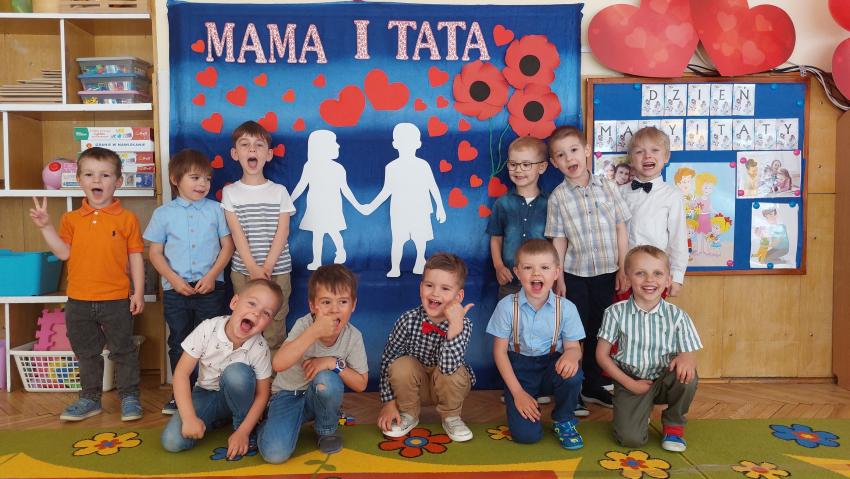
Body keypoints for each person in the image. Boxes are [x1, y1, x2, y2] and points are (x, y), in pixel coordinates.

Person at [29, 147, 145, 422]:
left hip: (116, 299)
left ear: (118, 182)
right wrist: (45, 227)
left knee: (123, 350)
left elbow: (136, 257)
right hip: (78, 301)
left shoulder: (127, 218)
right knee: (86, 353)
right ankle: (90, 399)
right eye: (90, 174)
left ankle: (130, 397)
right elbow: (63, 253)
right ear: (79, 180)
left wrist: (138, 292)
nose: (97, 180)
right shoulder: (70, 219)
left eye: (105, 175)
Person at [545, 126, 631, 409]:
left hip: (607, 272)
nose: (569, 158)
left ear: (586, 150)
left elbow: (621, 228)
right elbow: (559, 239)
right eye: (560, 155)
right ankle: (573, 388)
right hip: (575, 275)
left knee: (600, 330)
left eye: (573, 150)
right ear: (554, 163)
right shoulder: (558, 197)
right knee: (575, 332)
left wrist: (623, 267)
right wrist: (558, 276)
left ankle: (593, 385)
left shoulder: (608, 187)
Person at [144, 149, 235, 415]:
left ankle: (210, 391)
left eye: (207, 179)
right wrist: (173, 280)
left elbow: (228, 246)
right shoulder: (163, 213)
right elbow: (155, 253)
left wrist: (212, 276)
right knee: (179, 341)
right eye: (195, 178)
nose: (203, 184)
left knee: (213, 341)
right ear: (175, 179)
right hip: (176, 291)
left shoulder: (216, 210)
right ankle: (180, 393)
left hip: (211, 288)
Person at [160, 279, 283, 459]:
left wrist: (243, 431)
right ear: (234, 302)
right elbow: (181, 374)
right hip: (205, 393)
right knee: (172, 441)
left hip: (241, 398)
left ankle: (244, 424)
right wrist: (189, 418)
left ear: (269, 323)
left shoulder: (259, 347)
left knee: (236, 373)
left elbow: (263, 394)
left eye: (266, 313)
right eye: (252, 303)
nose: (256, 313)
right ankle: (219, 418)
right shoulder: (207, 329)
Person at [258, 265, 369, 464]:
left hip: (319, 394)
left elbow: (361, 384)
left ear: (353, 305)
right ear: (312, 306)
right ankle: (268, 424)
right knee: (275, 454)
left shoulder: (353, 336)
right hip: (288, 395)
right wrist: (314, 332)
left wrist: (332, 363)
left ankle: (326, 429)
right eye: (326, 302)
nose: (334, 309)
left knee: (327, 378)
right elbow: (278, 364)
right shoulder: (304, 325)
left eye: (343, 302)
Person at [596, 245, 702, 452]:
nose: (649, 280)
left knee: (687, 375)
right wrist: (629, 383)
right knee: (630, 439)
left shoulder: (678, 316)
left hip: (664, 379)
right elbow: (601, 356)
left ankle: (674, 424)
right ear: (627, 279)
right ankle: (639, 411)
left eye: (657, 274)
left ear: (668, 280)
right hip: (630, 381)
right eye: (640, 273)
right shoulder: (614, 313)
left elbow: (689, 355)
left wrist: (686, 358)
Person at [486, 239, 585, 449]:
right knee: (526, 436)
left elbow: (574, 348)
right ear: (517, 272)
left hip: (551, 367)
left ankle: (564, 419)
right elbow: (500, 353)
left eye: (545, 268)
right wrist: (518, 393)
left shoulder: (566, 308)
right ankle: (526, 403)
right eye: (528, 268)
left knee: (573, 374)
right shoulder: (506, 307)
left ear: (556, 272)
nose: (536, 274)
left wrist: (571, 355)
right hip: (520, 371)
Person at [377, 253, 476, 442]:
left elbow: (448, 367)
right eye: (429, 285)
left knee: (455, 371)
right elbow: (387, 361)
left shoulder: (464, 324)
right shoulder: (407, 320)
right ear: (421, 287)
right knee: (400, 364)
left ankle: (452, 417)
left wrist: (455, 327)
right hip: (416, 388)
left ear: (458, 296)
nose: (435, 294)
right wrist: (388, 402)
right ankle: (408, 414)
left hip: (447, 386)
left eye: (445, 288)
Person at [222, 120, 296, 351]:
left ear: (269, 154)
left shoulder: (279, 192)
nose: (252, 149)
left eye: (259, 145)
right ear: (235, 154)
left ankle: (274, 370)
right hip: (244, 271)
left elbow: (283, 231)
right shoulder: (230, 192)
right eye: (245, 144)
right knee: (245, 320)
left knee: (275, 320)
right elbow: (236, 234)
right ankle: (244, 365)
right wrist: (254, 268)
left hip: (278, 270)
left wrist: (268, 266)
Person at [362, 123, 447, 278]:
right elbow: (387, 190)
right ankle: (395, 267)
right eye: (403, 141)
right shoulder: (391, 167)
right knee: (398, 241)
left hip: (420, 209)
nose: (407, 145)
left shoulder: (423, 165)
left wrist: (440, 207)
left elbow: (432, 186)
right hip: (399, 211)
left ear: (418, 144)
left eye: (411, 141)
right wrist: (371, 206)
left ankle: (420, 261)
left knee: (420, 240)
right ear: (395, 144)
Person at [621, 127, 688, 297]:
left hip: (656, 275)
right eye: (639, 152)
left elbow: (678, 239)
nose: (647, 156)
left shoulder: (672, 196)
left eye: (655, 150)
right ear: (631, 159)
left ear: (666, 157)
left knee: (653, 313)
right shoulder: (620, 193)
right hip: (625, 274)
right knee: (622, 312)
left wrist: (677, 277)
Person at [290, 130, 366, 270]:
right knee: (317, 235)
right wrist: (289, 202)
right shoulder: (310, 166)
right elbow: (301, 185)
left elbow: (345, 190)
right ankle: (317, 261)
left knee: (333, 231)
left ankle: (341, 251)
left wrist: (358, 205)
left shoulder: (338, 168)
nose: (338, 145)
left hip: (332, 208)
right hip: (315, 208)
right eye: (334, 143)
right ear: (322, 147)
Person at [487, 136, 549, 300]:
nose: (518, 170)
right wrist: (498, 266)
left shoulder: (550, 204)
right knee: (509, 316)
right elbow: (496, 238)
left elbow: (556, 241)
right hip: (510, 281)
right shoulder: (502, 203)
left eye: (526, 164)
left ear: (542, 167)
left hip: (542, 281)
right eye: (513, 164)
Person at [693, 172, 718, 256]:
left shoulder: (709, 198)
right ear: (700, 187)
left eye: (710, 188)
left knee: (706, 235)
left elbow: (710, 208)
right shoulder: (698, 198)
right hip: (699, 218)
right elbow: (695, 208)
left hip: (707, 218)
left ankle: (706, 250)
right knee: (699, 236)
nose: (707, 190)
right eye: (706, 187)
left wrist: (716, 212)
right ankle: (699, 250)